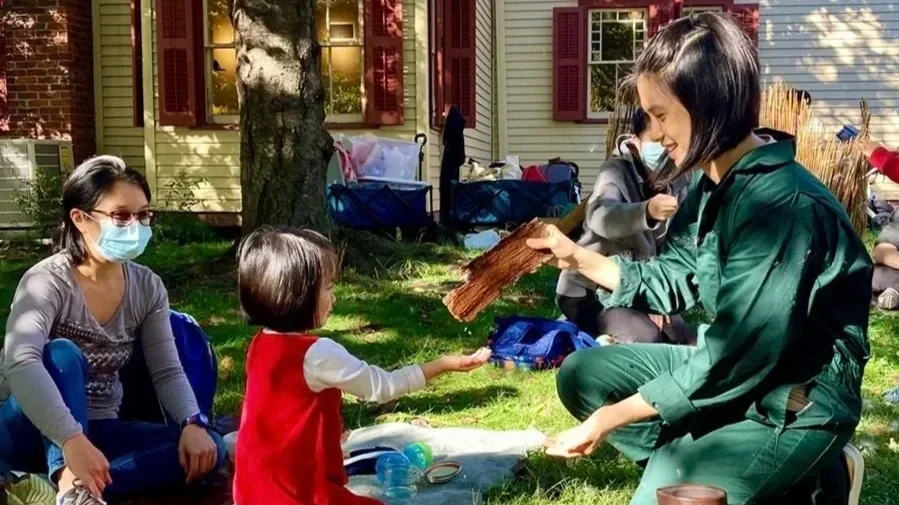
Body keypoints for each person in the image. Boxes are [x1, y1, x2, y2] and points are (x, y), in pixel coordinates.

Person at [527, 13, 870, 505]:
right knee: (583, 374)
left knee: (660, 496)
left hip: (795, 397)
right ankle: (712, 462)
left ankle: (779, 464)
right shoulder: (712, 186)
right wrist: (576, 256)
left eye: (662, 115)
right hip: (736, 372)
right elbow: (672, 275)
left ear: (709, 104)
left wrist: (609, 419)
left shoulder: (783, 209)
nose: (656, 133)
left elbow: (734, 354)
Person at [0, 156, 227, 505]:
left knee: (208, 452)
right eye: (121, 215)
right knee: (61, 353)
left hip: (100, 429)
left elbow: (167, 370)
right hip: (28, 427)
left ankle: (63, 491)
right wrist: (70, 438)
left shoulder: (147, 286)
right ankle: (64, 475)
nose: (135, 225)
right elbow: (21, 361)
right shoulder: (46, 281)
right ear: (80, 218)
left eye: (144, 214)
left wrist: (192, 423)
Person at [232, 227, 491, 505]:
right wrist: (443, 364)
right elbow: (383, 386)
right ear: (298, 295)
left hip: (250, 488)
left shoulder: (259, 344)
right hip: (298, 492)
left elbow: (282, 418)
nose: (334, 297)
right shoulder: (318, 353)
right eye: (328, 287)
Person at [556, 108, 695, 345]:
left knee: (684, 339)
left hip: (641, 284)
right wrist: (646, 212)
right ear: (636, 141)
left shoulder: (679, 179)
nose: (662, 148)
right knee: (647, 338)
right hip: (590, 290)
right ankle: (589, 336)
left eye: (667, 140)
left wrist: (658, 299)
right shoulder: (615, 171)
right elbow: (599, 215)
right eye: (655, 141)